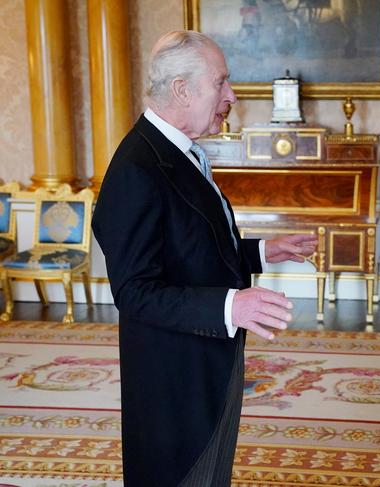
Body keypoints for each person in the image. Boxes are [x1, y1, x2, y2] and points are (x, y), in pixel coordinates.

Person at [91, 30, 317, 486]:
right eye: (221, 83)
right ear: (182, 89)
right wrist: (231, 306)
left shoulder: (180, 151)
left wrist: (260, 251)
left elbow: (190, 243)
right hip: (174, 373)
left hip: (205, 357)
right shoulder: (138, 167)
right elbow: (135, 291)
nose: (231, 95)